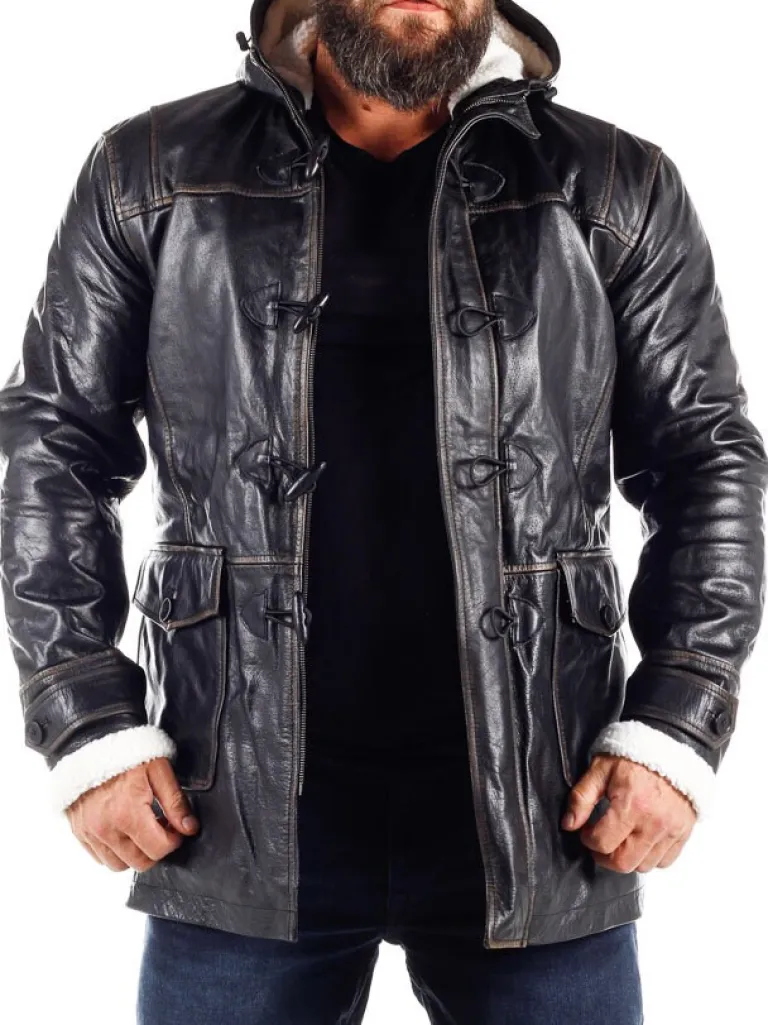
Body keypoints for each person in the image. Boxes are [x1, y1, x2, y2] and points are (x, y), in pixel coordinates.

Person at [1, 1, 765, 1022]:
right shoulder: (150, 169)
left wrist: (676, 724)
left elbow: (706, 458)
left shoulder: (615, 182)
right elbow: (52, 443)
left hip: (546, 803)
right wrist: (87, 718)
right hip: (230, 804)